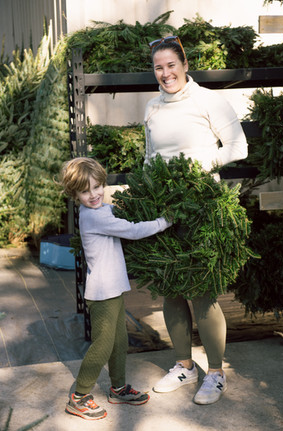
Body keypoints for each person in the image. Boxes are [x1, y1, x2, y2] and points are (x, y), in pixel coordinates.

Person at [144, 36, 248, 405]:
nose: (165, 73)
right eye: (158, 67)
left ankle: (216, 373)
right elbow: (150, 156)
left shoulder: (209, 101)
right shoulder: (152, 107)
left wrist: (199, 165)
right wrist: (146, 191)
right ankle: (185, 365)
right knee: (170, 287)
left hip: (202, 205)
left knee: (202, 289)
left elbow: (238, 147)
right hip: (163, 207)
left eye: (171, 64)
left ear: (185, 65)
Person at [59, 157, 172, 420]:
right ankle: (79, 396)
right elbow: (132, 230)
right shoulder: (92, 216)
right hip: (102, 293)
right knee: (103, 343)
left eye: (97, 186)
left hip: (114, 288)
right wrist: (164, 221)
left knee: (119, 340)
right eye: (85, 191)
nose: (94, 194)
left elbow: (110, 211)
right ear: (75, 194)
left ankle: (118, 388)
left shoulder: (101, 211)